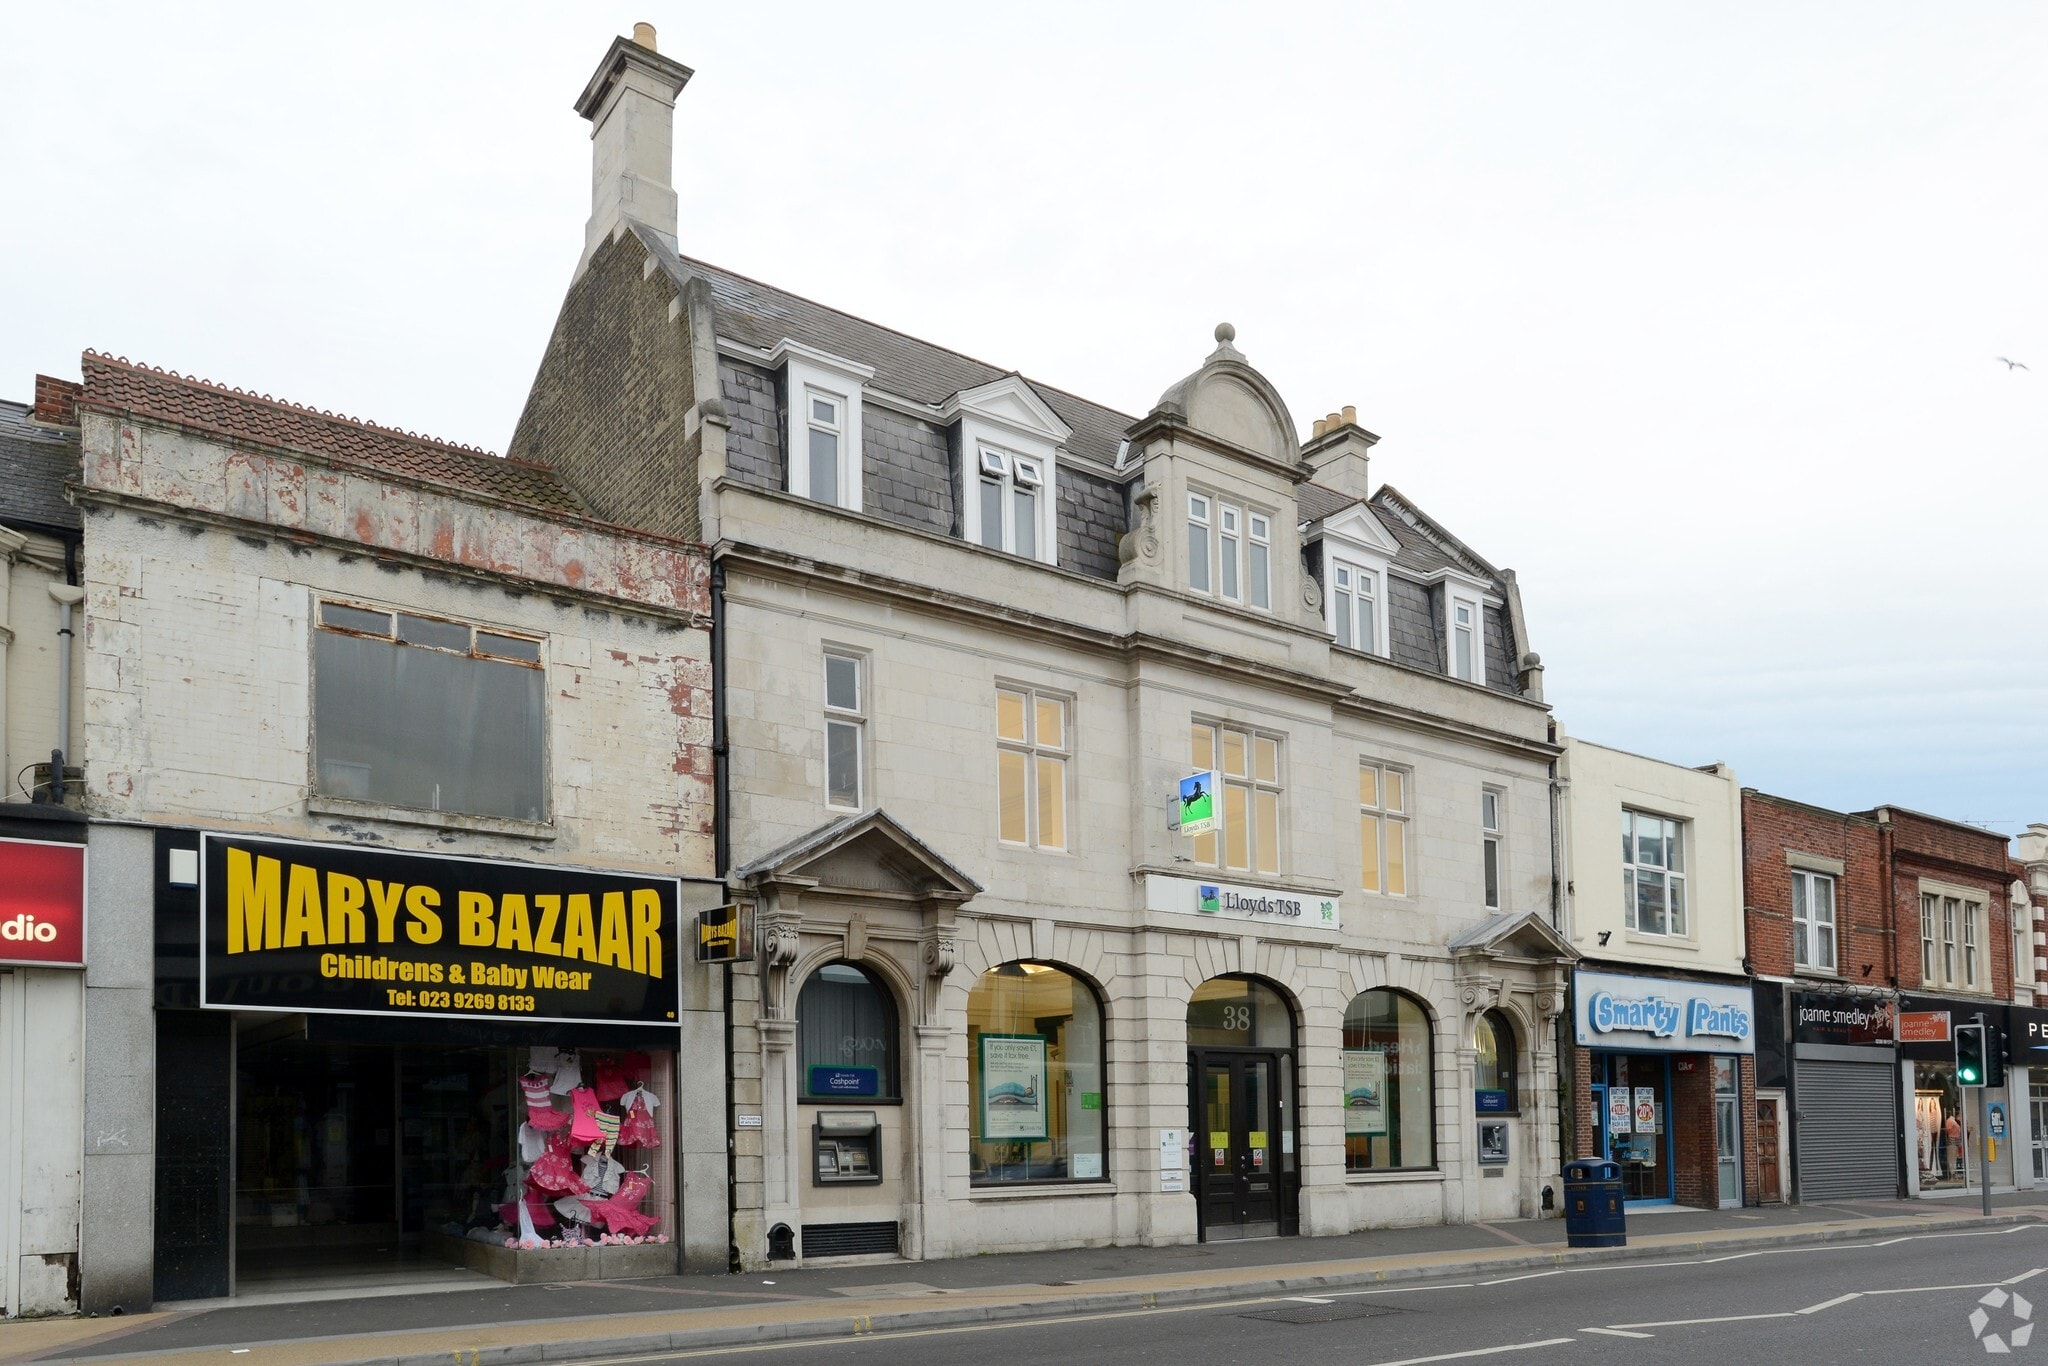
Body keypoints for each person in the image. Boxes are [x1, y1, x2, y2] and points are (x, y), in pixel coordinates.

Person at [1945, 1112, 1963, 1178]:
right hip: (1952, 1141)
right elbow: (1948, 1130)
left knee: (1954, 1158)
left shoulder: (1954, 1121)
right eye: (1960, 1115)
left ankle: (1954, 1173)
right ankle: (1952, 1174)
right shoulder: (1950, 1121)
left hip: (1955, 1141)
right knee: (1952, 1158)